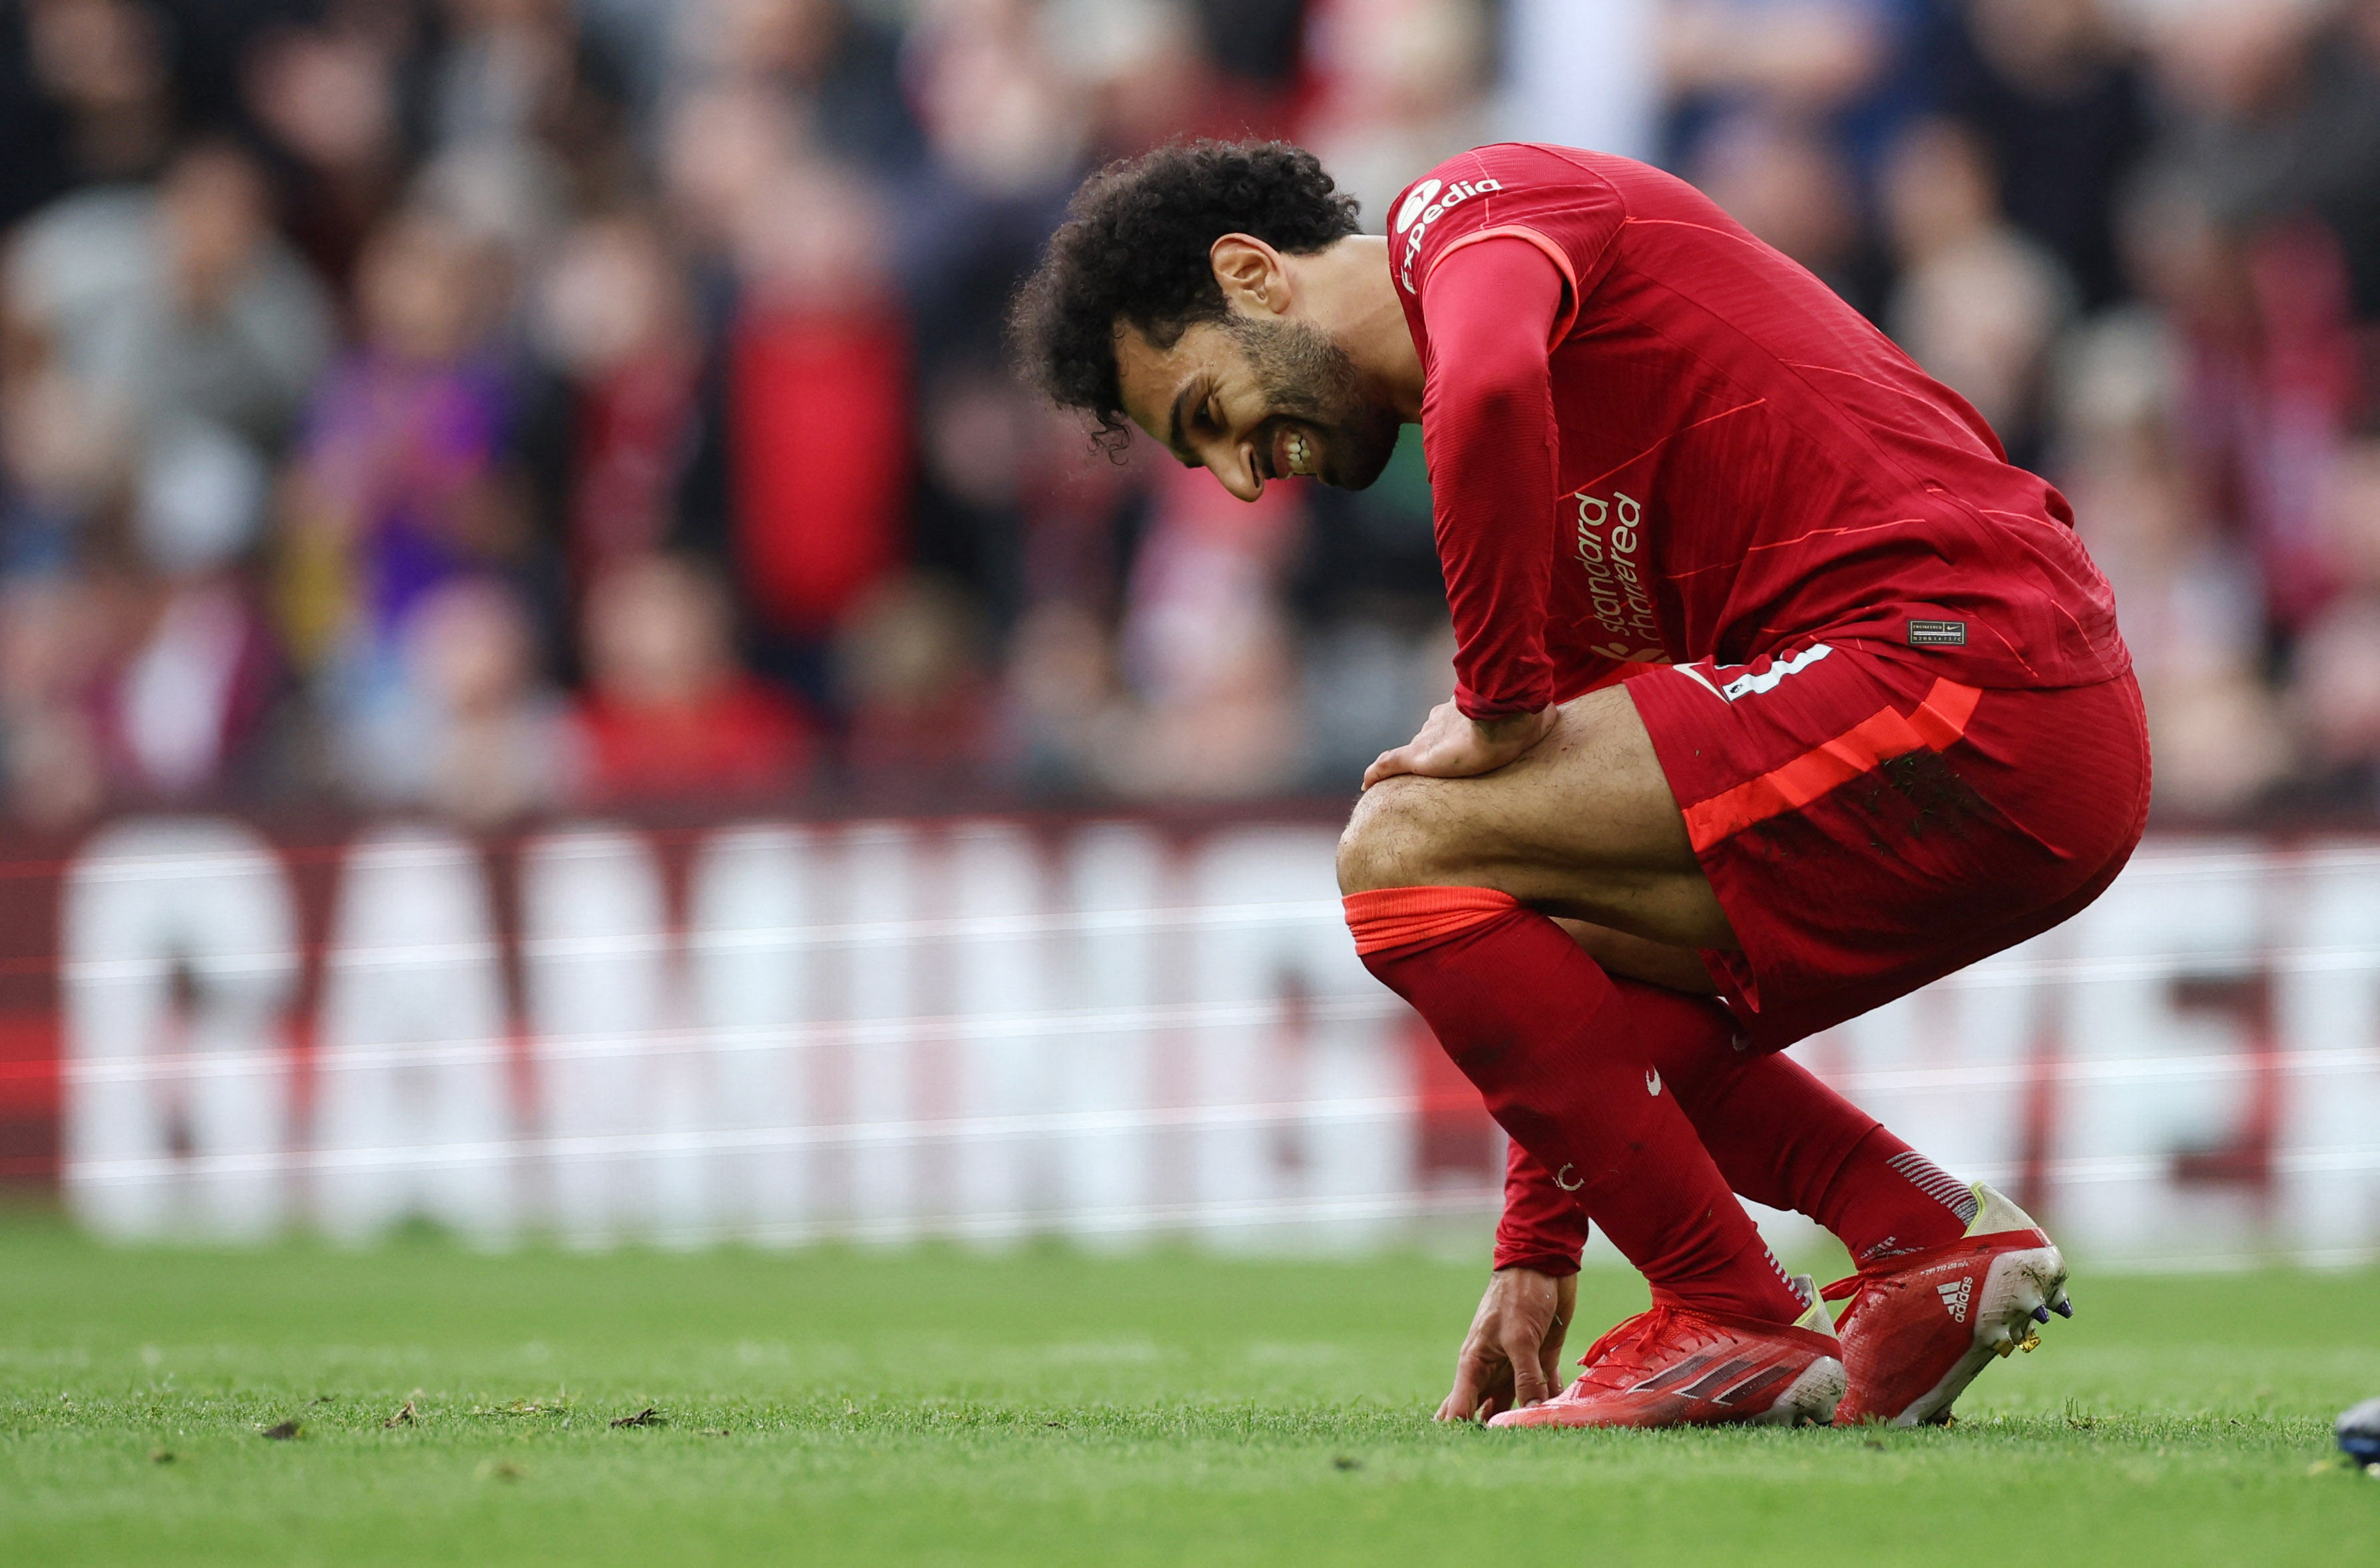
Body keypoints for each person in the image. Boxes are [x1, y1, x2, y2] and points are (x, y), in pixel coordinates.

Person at [1010, 141, 2144, 1429]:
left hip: (1972, 670)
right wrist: (1537, 1248)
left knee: (1400, 843)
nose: (1237, 475)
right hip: (2004, 741)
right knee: (1560, 947)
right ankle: (1921, 1238)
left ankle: (1730, 1311)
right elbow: (1553, 972)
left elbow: (1487, 384)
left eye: (1209, 413)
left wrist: (1499, 705)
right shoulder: (1541, 506)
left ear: (1254, 276)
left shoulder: (1474, 206)